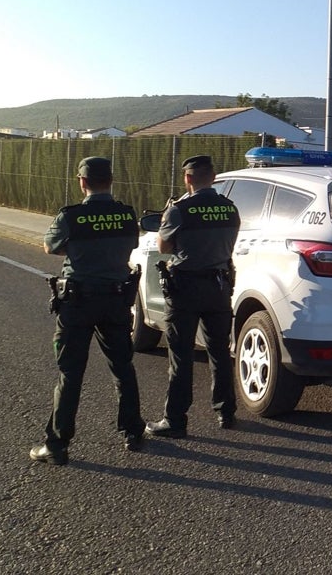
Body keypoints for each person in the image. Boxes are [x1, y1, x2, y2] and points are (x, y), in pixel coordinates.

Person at [31, 156, 145, 465]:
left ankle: (57, 445)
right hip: (116, 300)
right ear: (111, 180)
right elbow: (129, 246)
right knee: (123, 367)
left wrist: (81, 250)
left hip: (78, 302)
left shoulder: (71, 217)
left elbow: (50, 246)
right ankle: (134, 431)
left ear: (82, 182)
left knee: (71, 373)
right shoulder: (126, 215)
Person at [147, 154, 241, 437]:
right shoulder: (229, 208)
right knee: (219, 352)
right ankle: (226, 412)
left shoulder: (179, 210)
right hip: (219, 287)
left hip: (185, 287)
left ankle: (175, 420)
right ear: (213, 177)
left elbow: (163, 247)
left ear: (187, 178)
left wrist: (167, 217)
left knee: (181, 355)